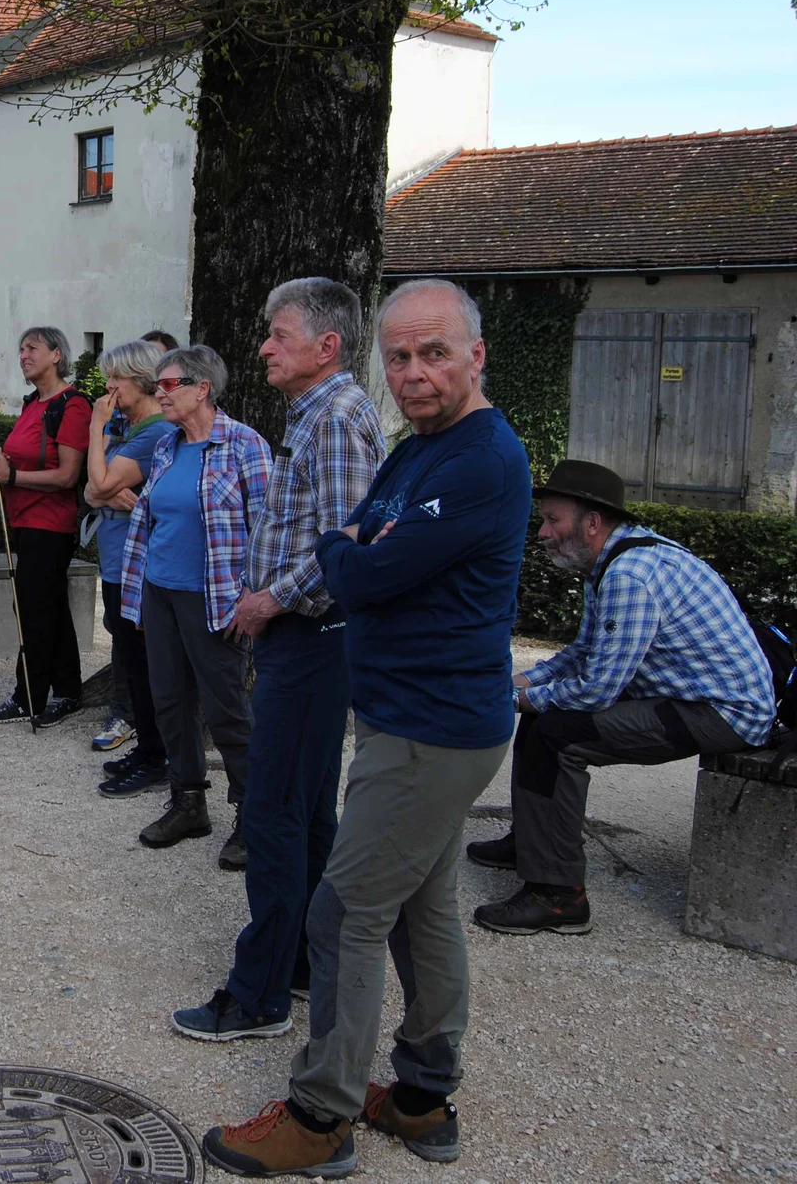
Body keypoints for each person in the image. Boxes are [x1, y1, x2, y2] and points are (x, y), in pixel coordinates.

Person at [201, 279, 531, 1178]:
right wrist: (358, 546)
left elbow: (361, 572)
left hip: (433, 728)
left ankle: (321, 1114)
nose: (416, 373)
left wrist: (356, 549)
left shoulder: (479, 460)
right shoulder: (422, 447)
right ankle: (423, 1098)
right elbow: (355, 543)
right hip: (407, 718)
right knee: (420, 910)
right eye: (401, 355)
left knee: (343, 905)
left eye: (434, 352)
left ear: (477, 354)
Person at [169, 278, 384, 1045]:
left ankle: (257, 994)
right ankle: (295, 961)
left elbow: (346, 546)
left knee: (271, 812)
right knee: (302, 810)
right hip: (308, 641)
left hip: (311, 641)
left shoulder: (335, 421)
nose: (262, 346)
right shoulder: (323, 411)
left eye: (278, 333)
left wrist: (269, 600)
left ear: (326, 346)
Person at [468, 458, 774, 937]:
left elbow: (596, 689)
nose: (543, 533)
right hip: (693, 699)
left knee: (557, 733)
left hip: (724, 714)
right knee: (546, 715)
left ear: (592, 523)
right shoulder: (612, 561)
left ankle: (558, 895)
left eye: (553, 520)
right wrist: (523, 683)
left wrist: (514, 701)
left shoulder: (628, 576)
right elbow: (585, 651)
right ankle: (533, 842)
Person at [122, 344, 269, 867]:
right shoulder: (168, 446)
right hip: (160, 593)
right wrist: (139, 598)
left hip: (215, 599)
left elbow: (267, 531)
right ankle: (188, 803)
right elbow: (152, 520)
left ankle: (254, 818)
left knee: (228, 709)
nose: (158, 392)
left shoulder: (244, 445)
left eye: (168, 384)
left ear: (201, 389)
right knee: (169, 702)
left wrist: (252, 597)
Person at [0, 327, 90, 728]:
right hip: (24, 519)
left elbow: (67, 476)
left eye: (32, 348)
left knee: (33, 608)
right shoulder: (34, 404)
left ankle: (30, 696)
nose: (24, 355)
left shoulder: (72, 405)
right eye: (21, 348)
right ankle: (67, 690)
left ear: (56, 355)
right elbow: (19, 460)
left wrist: (12, 478)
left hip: (49, 522)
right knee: (49, 606)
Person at [84, 340, 176, 799]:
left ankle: (157, 756)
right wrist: (101, 487)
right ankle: (147, 749)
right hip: (119, 560)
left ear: (139, 381)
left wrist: (97, 427)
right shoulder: (136, 428)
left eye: (115, 379)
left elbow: (98, 482)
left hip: (138, 565)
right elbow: (91, 492)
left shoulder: (152, 433)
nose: (109, 388)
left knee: (142, 662)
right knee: (132, 658)